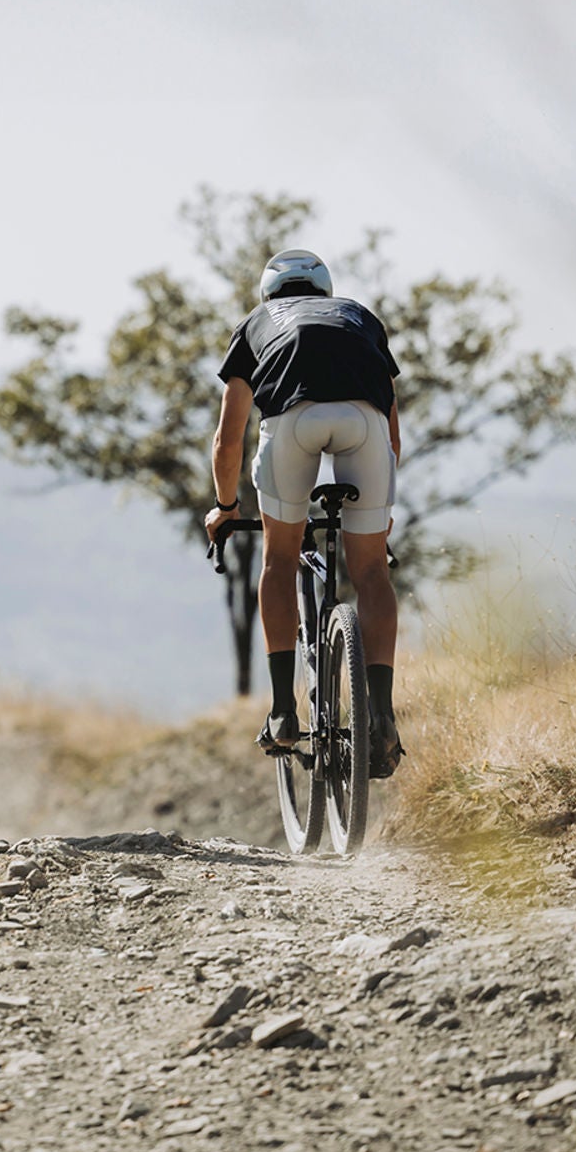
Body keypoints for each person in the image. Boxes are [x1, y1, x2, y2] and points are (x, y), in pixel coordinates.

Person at [202, 249, 406, 778]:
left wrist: (225, 508)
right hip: (365, 427)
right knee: (370, 573)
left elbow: (229, 440)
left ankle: (282, 711)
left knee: (279, 560)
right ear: (325, 292)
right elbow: (392, 433)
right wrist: (378, 523)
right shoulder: (358, 316)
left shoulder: (256, 324)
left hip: (291, 424)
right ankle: (381, 715)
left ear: (270, 295)